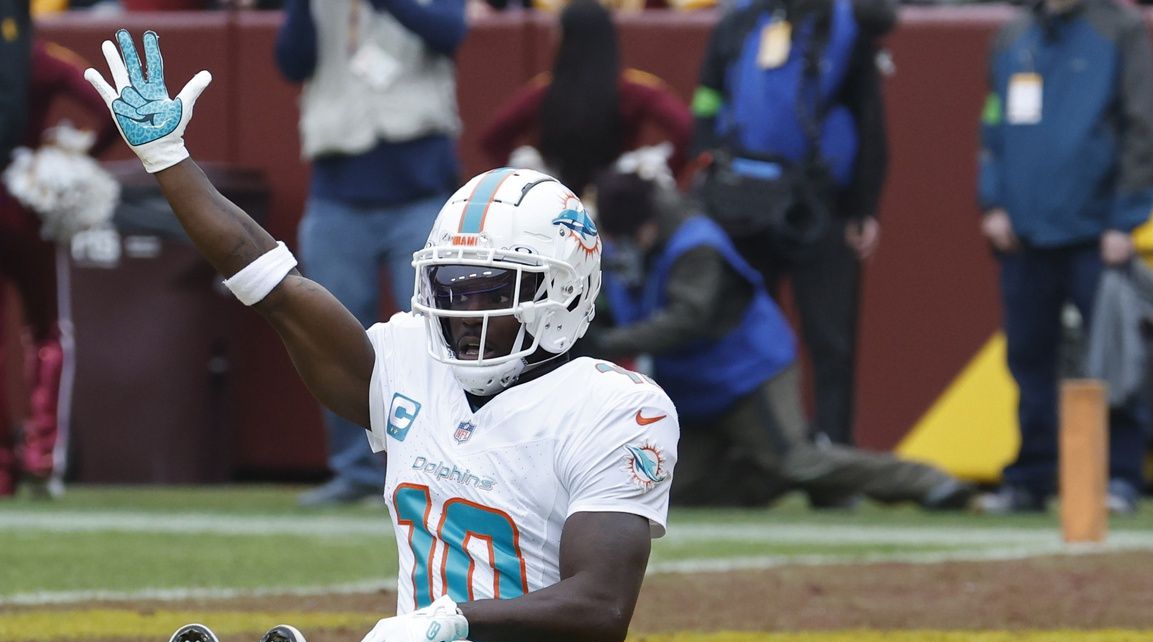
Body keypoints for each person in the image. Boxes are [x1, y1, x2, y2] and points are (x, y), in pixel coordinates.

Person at [87, 30, 677, 642]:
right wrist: (168, 159)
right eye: (453, 286)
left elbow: (601, 604)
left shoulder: (613, 406)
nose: (462, 310)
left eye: (487, 289)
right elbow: (271, 279)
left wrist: (449, 619)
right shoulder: (408, 361)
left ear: (563, 294)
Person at [588, 170, 970, 510]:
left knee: (797, 461)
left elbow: (686, 320)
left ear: (647, 222)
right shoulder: (630, 243)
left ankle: (928, 481)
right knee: (670, 489)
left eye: (627, 235)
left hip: (749, 372)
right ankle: (781, 471)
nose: (624, 244)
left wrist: (607, 343)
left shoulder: (696, 244)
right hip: (696, 388)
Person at [275, 0, 468, 506]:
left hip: (420, 182)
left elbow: (450, 32)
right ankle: (356, 471)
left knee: (442, 329)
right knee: (331, 331)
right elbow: (290, 61)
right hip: (339, 187)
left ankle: (450, 464)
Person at [974, 0, 1153, 515]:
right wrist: (992, 202)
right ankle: (1032, 477)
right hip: (1025, 229)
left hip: (1095, 229)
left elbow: (1140, 123)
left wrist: (1126, 217)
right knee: (1029, 359)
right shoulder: (1013, 35)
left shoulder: (1119, 29)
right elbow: (992, 124)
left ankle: (1120, 475)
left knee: (1110, 356)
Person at [691, 0, 895, 452]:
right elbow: (707, 96)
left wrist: (862, 206)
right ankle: (750, 452)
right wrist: (707, 162)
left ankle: (834, 450)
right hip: (741, 202)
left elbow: (867, 114)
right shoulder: (739, 20)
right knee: (742, 334)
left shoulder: (845, 23)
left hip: (819, 203)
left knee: (830, 339)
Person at [0, 38, 118, 497]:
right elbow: (108, 105)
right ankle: (42, 454)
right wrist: (78, 155)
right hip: (24, 204)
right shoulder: (41, 58)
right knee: (47, 328)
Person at [477, 0, 693, 198]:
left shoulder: (543, 92)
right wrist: (658, 170)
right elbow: (687, 129)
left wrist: (523, 181)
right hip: (617, 208)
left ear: (563, 38)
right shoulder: (633, 89)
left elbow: (493, 138)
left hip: (556, 204)